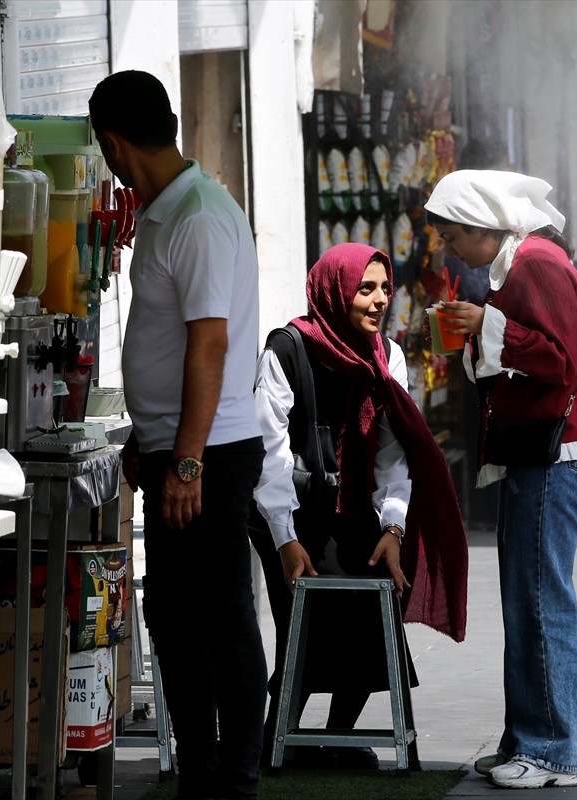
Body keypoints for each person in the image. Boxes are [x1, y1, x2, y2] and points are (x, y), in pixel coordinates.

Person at [89, 70, 267, 800]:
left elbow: (209, 345)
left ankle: (235, 775)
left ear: (113, 145)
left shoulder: (195, 214)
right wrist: (156, 442)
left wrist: (187, 461)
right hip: (180, 446)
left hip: (212, 452)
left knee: (219, 612)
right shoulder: (170, 209)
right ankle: (201, 765)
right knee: (173, 611)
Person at [426, 170, 577, 790]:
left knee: (541, 600)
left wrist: (486, 325)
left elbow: (558, 358)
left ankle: (552, 751)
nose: (449, 250)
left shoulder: (536, 262)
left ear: (482, 227)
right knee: (527, 597)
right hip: (539, 450)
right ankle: (528, 738)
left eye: (454, 237)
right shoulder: (521, 264)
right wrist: (483, 327)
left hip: (557, 451)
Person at [249, 243, 469, 769]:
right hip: (289, 513)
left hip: (351, 511)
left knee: (374, 615)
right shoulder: (287, 349)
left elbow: (394, 454)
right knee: (305, 624)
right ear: (335, 290)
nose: (378, 301)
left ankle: (333, 742)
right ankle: (277, 741)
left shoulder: (385, 355)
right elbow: (269, 453)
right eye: (364, 288)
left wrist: (393, 528)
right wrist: (285, 538)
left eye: (384, 289)